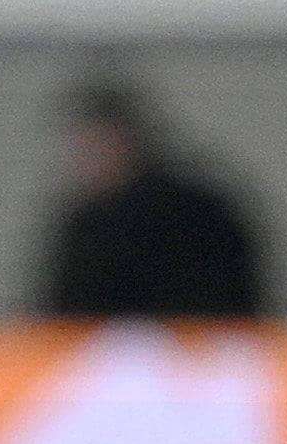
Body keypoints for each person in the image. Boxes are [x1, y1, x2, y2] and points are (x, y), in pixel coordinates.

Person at [33, 70, 273, 325]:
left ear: (126, 141)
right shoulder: (84, 225)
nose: (83, 159)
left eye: (95, 144)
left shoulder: (197, 214)